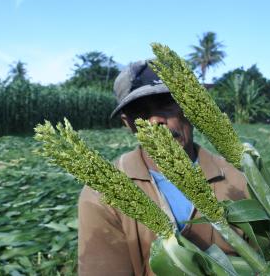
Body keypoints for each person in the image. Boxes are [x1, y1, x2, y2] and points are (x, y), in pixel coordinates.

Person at [77, 60, 249, 276]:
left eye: (166, 104)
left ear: (190, 108)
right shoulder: (102, 195)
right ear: (128, 124)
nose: (156, 120)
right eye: (140, 113)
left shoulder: (237, 181)